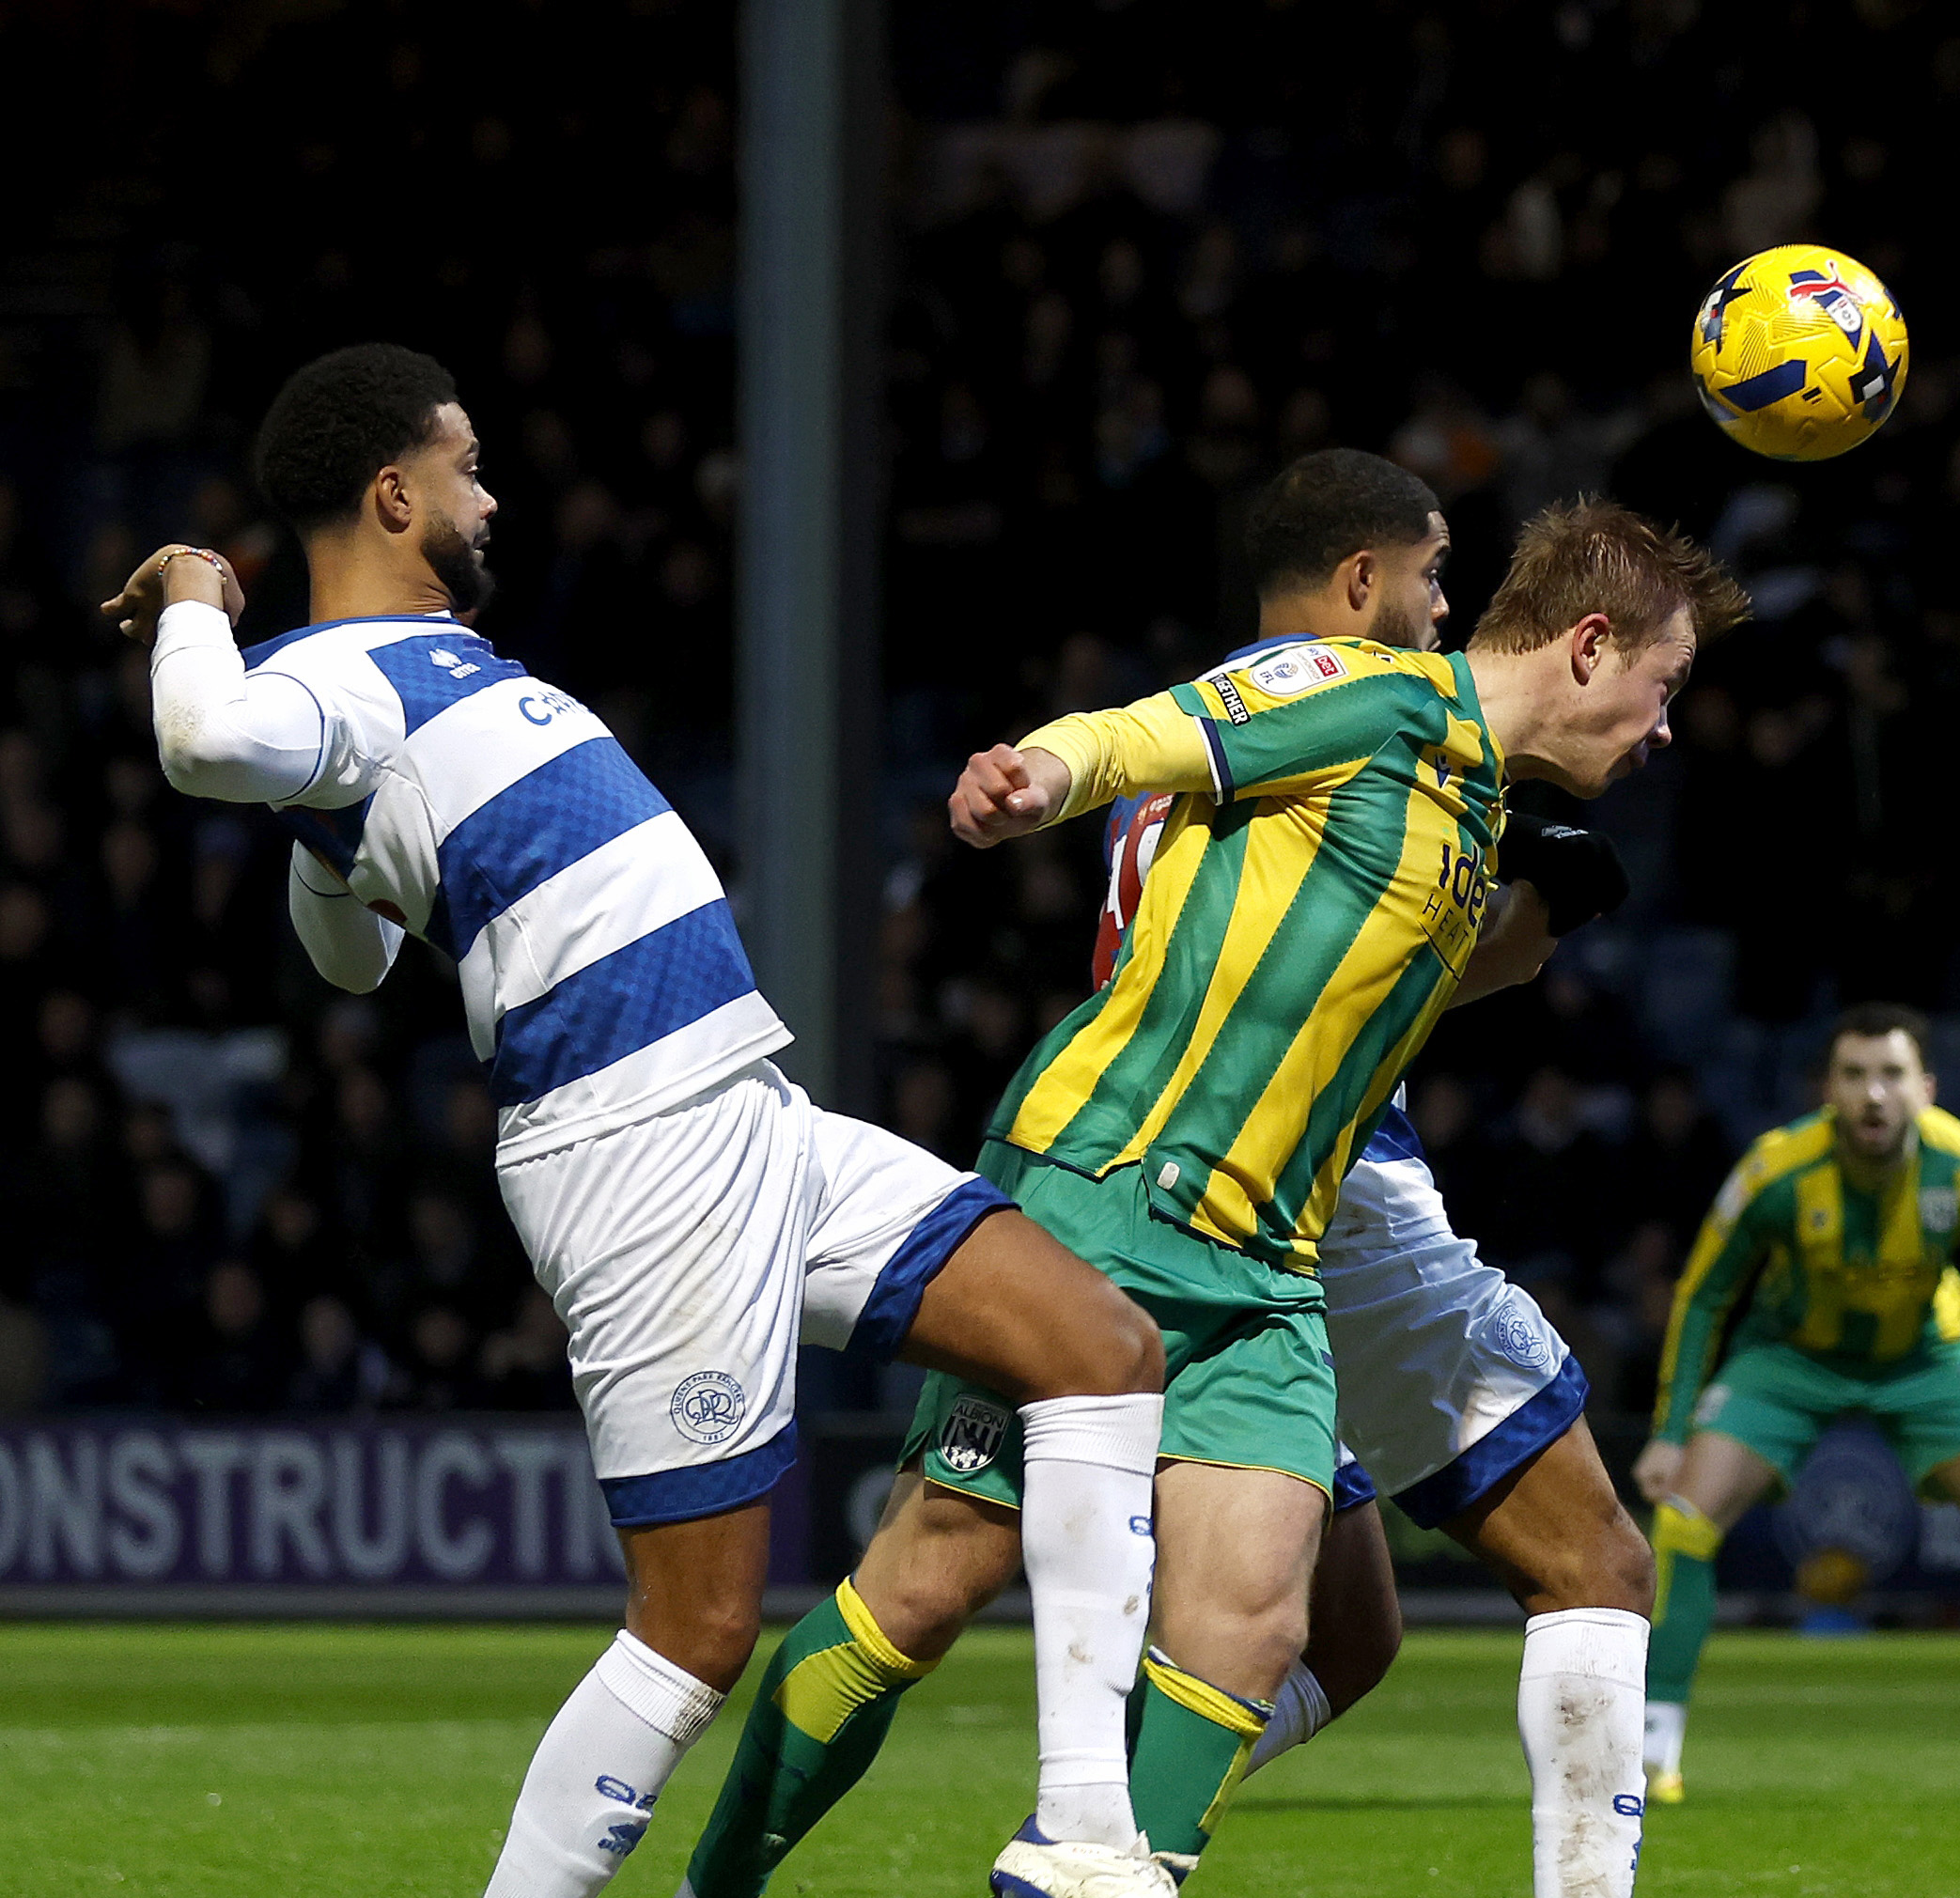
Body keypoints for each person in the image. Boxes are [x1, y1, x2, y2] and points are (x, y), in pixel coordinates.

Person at [106, 343, 1177, 1898]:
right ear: (392, 492)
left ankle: (1082, 1830)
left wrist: (327, 836)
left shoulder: (422, 676)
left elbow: (348, 955)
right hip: (632, 1146)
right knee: (697, 1630)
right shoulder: (328, 675)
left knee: (1098, 1351)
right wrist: (203, 596)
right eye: (466, 464)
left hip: (747, 1112)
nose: (492, 489)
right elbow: (205, 740)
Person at [678, 489, 1740, 1898]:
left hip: (1271, 1265)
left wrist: (1527, 919)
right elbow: (1141, 735)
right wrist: (1034, 780)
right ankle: (715, 1889)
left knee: (1259, 1630)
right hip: (1105, 1201)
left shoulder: (1472, 790)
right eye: (1665, 685)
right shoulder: (1371, 699)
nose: (1667, 726)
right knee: (924, 1587)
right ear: (1594, 647)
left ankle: (1081, 1875)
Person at [1086, 453, 1672, 1888]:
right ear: (1364, 586)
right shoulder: (1365, 723)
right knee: (1593, 1567)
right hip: (1316, 1190)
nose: (1442, 610)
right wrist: (1517, 925)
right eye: (1428, 582)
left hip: (1152, 1161)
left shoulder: (1239, 723)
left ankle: (1094, 1834)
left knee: (1345, 1639)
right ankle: (1094, 1841)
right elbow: (1332, 987)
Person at [1633, 1003, 1960, 1811]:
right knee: (1680, 1519)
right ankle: (1650, 1757)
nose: (1873, 1095)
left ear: (1926, 1087)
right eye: (1854, 1076)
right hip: (1790, 1361)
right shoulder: (1774, 1171)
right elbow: (1705, 1295)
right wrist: (1668, 1433)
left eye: (1891, 1075)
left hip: (1928, 1359)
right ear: (1827, 1090)